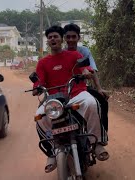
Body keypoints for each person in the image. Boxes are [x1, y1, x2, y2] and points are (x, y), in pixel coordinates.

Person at [33, 25, 109, 174]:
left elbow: (85, 69)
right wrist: (37, 87)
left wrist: (86, 72)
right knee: (39, 117)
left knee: (92, 103)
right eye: (50, 37)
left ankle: (97, 142)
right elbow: (39, 82)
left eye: (56, 36)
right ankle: (52, 151)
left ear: (62, 39)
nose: (53, 39)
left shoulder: (75, 56)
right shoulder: (42, 63)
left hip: (76, 94)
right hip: (55, 99)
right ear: (47, 41)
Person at [63, 23, 109, 134]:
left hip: (81, 88)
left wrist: (99, 88)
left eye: (74, 37)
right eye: (68, 37)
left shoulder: (84, 51)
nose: (71, 40)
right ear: (64, 38)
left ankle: (101, 134)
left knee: (102, 101)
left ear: (78, 38)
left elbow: (92, 70)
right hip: (63, 89)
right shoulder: (60, 53)